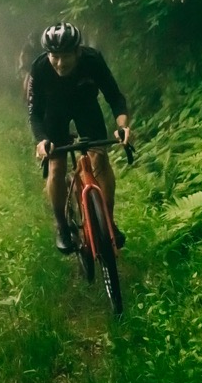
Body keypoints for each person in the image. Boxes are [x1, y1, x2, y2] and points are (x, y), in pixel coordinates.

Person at [22, 22, 131, 253]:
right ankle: (62, 226)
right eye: (55, 57)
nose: (60, 63)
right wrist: (42, 140)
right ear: (48, 55)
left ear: (78, 52)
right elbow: (34, 114)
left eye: (66, 57)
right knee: (56, 167)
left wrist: (122, 127)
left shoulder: (92, 60)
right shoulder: (40, 67)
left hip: (86, 107)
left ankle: (108, 222)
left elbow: (115, 97)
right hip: (54, 113)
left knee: (100, 160)